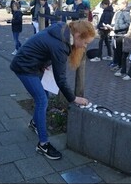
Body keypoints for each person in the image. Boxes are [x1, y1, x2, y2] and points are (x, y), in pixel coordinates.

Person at [10, 20, 96, 160]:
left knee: (44, 96)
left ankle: (35, 123)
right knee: (42, 100)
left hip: (34, 64)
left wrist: (43, 63)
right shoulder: (60, 44)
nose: (85, 47)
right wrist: (73, 98)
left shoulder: (63, 30)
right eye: (85, 42)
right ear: (78, 35)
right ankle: (43, 144)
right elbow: (60, 78)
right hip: (24, 67)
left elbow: (43, 49)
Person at [108, 0, 131, 73]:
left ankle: (121, 66)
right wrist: (111, 26)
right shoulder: (118, 12)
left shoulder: (127, 13)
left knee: (121, 52)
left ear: (124, 4)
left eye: (119, 4)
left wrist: (117, 28)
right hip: (116, 34)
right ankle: (117, 64)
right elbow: (115, 22)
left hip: (122, 35)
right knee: (116, 51)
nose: (118, 6)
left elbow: (128, 24)